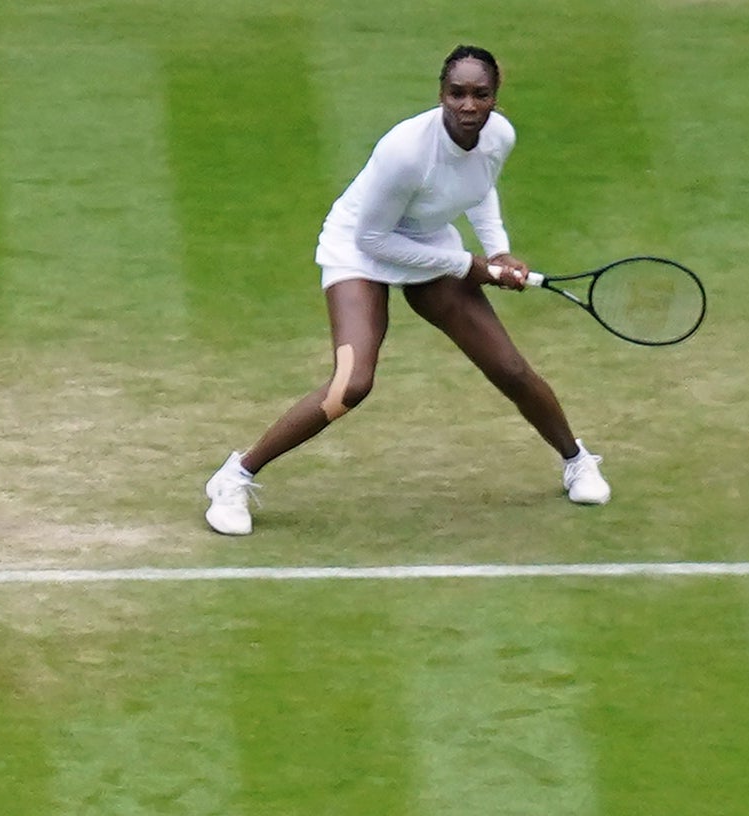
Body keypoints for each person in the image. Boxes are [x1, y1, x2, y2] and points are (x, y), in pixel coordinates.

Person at [204, 46, 608, 535]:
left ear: (495, 100)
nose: (468, 105)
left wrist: (498, 252)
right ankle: (235, 476)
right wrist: (471, 265)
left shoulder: (499, 136)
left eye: (480, 95)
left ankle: (577, 459)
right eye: (457, 93)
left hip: (426, 241)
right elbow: (372, 238)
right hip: (360, 249)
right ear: (441, 95)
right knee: (350, 385)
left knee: (509, 367)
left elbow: (480, 187)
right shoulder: (405, 152)